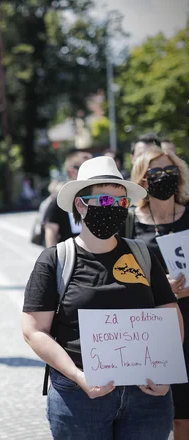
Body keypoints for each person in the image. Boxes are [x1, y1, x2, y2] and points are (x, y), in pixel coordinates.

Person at [22, 156, 183, 439]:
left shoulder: (143, 255)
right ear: (80, 204)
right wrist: (77, 376)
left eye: (122, 203)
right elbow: (34, 331)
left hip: (146, 396)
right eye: (106, 201)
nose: (116, 209)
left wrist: (166, 371)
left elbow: (170, 314)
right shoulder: (55, 260)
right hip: (79, 398)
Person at [128, 147, 189, 438]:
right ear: (142, 180)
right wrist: (157, 284)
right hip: (153, 328)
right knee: (159, 413)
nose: (164, 177)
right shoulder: (129, 223)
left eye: (170, 170)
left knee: (186, 417)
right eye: (155, 173)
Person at [43, 149, 92, 247]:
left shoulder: (99, 197)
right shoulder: (59, 200)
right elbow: (51, 232)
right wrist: (54, 260)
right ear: (72, 172)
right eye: (87, 170)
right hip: (70, 257)